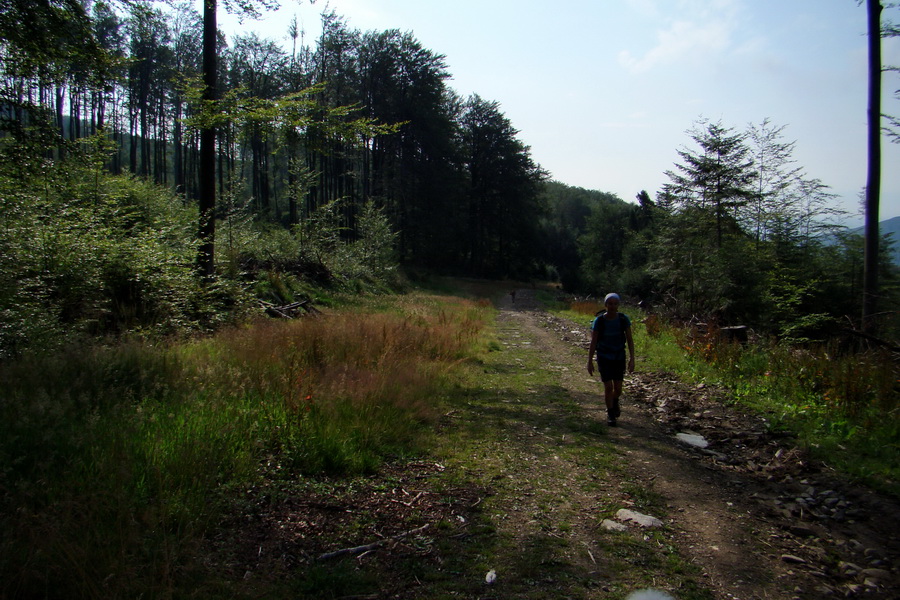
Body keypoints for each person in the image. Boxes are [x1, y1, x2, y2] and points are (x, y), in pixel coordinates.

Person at [587, 293, 635, 426]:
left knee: (618, 389)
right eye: (610, 303)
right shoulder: (599, 321)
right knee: (608, 387)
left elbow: (630, 340)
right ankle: (610, 413)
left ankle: (614, 401)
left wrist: (632, 359)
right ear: (605, 305)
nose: (612, 306)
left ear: (618, 305)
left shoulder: (623, 319)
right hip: (604, 357)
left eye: (615, 304)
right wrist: (589, 361)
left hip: (619, 357)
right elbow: (594, 342)